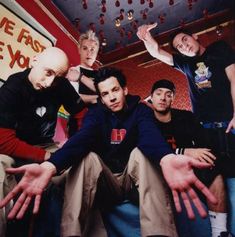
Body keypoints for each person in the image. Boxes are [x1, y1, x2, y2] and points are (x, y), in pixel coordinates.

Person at [0, 67, 217, 237]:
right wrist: (50, 165)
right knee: (88, 157)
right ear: (101, 98)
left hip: (133, 181)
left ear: (124, 90)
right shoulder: (96, 114)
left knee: (140, 153)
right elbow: (82, 139)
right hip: (107, 183)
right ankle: (71, 234)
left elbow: (150, 136)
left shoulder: (141, 110)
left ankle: (159, 234)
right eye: (105, 94)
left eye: (115, 90)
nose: (111, 97)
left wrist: (168, 157)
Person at [137, 23, 235, 235]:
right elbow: (156, 52)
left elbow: (234, 78)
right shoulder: (185, 65)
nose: (184, 46)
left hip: (229, 124)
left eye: (185, 40)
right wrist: (145, 36)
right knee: (213, 169)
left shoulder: (219, 49)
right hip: (205, 131)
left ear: (195, 36)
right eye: (179, 46)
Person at [0, 47, 85, 237]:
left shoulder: (61, 85)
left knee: (80, 168)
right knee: (0, 168)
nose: (50, 83)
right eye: (48, 73)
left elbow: (82, 115)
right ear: (34, 61)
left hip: (46, 144)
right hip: (13, 147)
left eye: (58, 77)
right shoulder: (12, 88)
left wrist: (72, 144)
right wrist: (47, 157)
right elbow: (3, 141)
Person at [150, 79, 229, 237]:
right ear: (151, 97)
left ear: (173, 99)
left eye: (168, 94)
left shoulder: (185, 117)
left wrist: (200, 155)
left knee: (213, 167)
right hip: (159, 168)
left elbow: (204, 144)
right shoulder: (145, 120)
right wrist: (182, 151)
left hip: (188, 166)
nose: (163, 98)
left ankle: (219, 231)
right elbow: (149, 149)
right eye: (158, 94)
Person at [66, 30, 99, 136]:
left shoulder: (101, 75)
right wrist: (97, 98)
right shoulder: (73, 71)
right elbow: (74, 98)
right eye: (85, 48)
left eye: (92, 49)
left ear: (97, 53)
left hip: (99, 123)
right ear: (79, 50)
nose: (89, 53)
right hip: (79, 125)